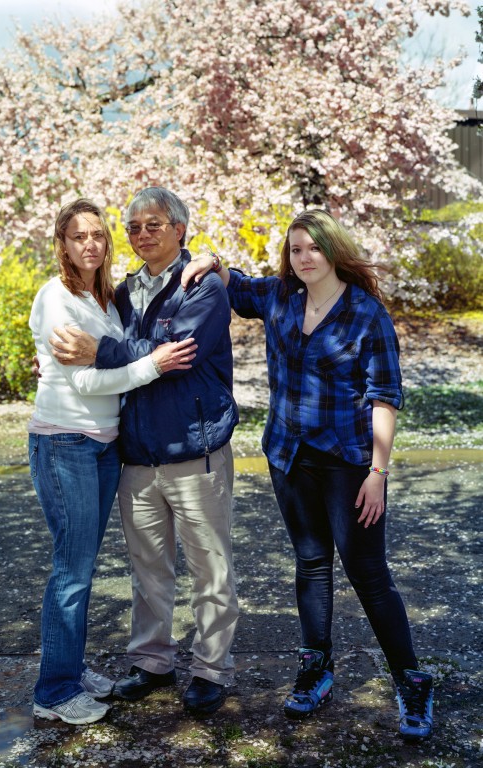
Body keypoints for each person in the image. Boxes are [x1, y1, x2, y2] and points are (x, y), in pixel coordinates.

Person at [181, 208, 434, 740]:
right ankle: (316, 669)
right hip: (289, 457)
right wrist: (210, 260)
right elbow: (234, 284)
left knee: (367, 573)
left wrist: (378, 473)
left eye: (312, 248)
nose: (304, 258)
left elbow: (385, 398)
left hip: (348, 462)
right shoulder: (280, 298)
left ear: (333, 250)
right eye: (295, 250)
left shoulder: (366, 314)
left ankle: (411, 680)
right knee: (311, 563)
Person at [47, 186, 240, 716]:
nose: (142, 234)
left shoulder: (201, 287)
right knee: (148, 570)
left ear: (180, 229)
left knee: (210, 568)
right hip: (139, 455)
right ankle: (152, 662)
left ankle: (210, 669)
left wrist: (102, 351)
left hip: (194, 450)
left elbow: (174, 352)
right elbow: (104, 350)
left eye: (154, 224)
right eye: (133, 227)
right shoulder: (125, 292)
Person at [28, 198, 196, 726]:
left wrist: (205, 259)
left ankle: (70, 672)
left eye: (99, 234)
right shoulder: (57, 299)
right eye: (79, 237)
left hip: (103, 445)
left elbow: (105, 357)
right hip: (65, 443)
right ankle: (53, 692)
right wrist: (151, 365)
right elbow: (83, 380)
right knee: (72, 573)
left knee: (82, 567)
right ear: (63, 243)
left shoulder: (103, 297)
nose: (92, 244)